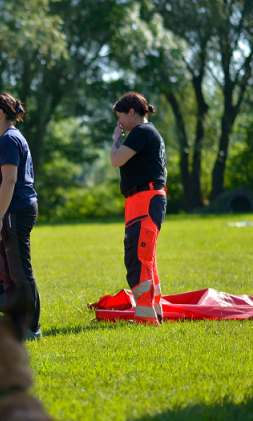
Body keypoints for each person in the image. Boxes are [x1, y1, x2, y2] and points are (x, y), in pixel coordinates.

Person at [0, 92, 41, 340]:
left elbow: (10, 180)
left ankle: (31, 327)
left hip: (14, 210)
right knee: (8, 269)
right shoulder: (4, 139)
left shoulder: (8, 140)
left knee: (19, 270)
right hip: (9, 211)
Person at [109, 91, 167, 326]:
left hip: (145, 199)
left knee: (138, 256)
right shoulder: (151, 133)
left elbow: (116, 160)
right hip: (145, 198)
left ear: (131, 112)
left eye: (120, 116)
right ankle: (154, 311)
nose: (119, 122)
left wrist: (115, 139)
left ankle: (145, 317)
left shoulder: (141, 131)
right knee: (146, 257)